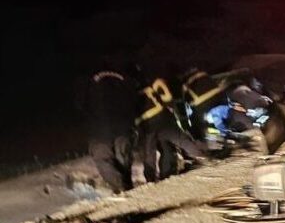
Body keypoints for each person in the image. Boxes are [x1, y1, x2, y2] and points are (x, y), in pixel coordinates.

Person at [136, 72, 205, 183]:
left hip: (148, 123)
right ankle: (200, 156)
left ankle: (151, 178)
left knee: (150, 151)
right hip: (163, 115)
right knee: (178, 140)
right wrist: (169, 107)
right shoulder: (151, 86)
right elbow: (166, 96)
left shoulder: (131, 93)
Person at [81, 63, 139, 194]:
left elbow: (81, 104)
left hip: (99, 130)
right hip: (123, 127)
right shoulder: (123, 78)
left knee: (103, 159)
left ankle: (121, 188)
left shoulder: (89, 81)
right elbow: (134, 100)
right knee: (123, 159)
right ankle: (128, 189)